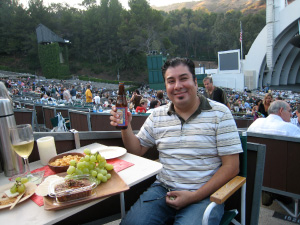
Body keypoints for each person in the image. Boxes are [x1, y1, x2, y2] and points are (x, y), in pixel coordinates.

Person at [110, 57, 242, 225]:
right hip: (163, 190)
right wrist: (125, 126)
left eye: (184, 78)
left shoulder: (220, 113)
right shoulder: (157, 115)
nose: (178, 86)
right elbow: (137, 150)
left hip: (205, 195)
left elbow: (232, 167)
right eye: (171, 81)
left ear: (195, 81)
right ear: (166, 87)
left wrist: (194, 196)